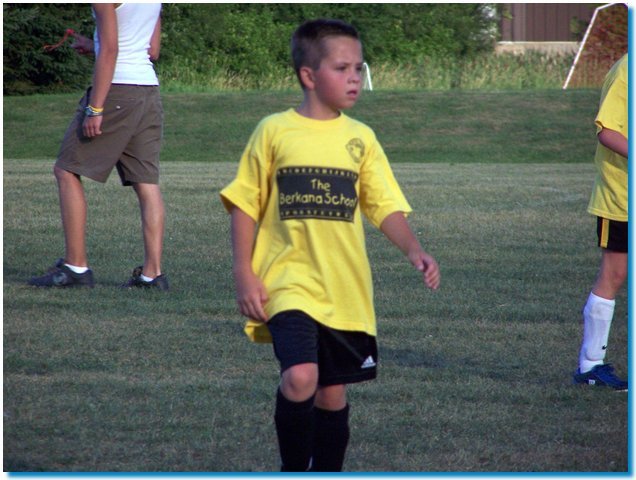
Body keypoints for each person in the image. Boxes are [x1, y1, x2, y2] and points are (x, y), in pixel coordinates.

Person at [220, 19, 440, 472]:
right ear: (308, 75)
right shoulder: (274, 130)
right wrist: (244, 272)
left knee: (331, 393)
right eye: (342, 68)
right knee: (301, 377)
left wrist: (414, 249)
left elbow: (383, 205)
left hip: (344, 291)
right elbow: (244, 202)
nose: (354, 77)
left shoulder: (361, 138)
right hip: (287, 282)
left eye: (358, 68)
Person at [28, 3, 168, 291]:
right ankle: (152, 275)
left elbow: (112, 50)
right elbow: (151, 50)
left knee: (66, 170)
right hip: (147, 91)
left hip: (117, 89)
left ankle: (75, 267)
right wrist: (94, 45)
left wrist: (95, 108)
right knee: (146, 183)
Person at [573, 54, 628, 391]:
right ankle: (591, 365)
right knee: (614, 274)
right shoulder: (628, 69)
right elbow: (607, 131)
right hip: (621, 196)